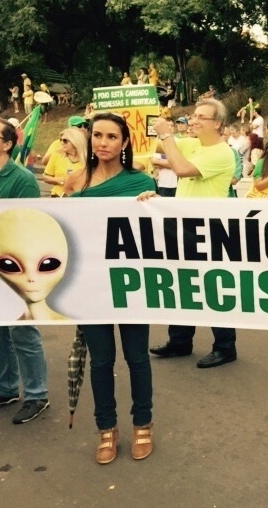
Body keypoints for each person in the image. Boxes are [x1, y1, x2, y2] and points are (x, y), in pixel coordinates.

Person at [69, 113, 157, 463]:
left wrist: (155, 204)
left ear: (124, 143)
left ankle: (143, 424)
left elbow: (157, 237)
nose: (103, 142)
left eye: (111, 137)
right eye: (97, 136)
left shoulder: (141, 182)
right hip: (91, 286)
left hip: (130, 285)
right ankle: (106, 428)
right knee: (101, 361)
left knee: (137, 358)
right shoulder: (76, 181)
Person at [148, 99, 237, 368]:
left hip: (209, 228)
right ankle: (180, 340)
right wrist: (163, 132)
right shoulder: (194, 143)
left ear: (218, 124)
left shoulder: (222, 152)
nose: (193, 121)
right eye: (193, 116)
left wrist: (167, 134)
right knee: (182, 283)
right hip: (183, 224)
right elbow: (160, 147)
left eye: (201, 117)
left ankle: (225, 346)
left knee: (213, 288)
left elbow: (182, 169)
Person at [0, 117, 50, 425]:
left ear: (7, 144)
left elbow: (29, 225)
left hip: (13, 270)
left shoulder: (21, 179)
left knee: (22, 331)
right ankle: (5, 388)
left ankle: (36, 394)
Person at [42, 127, 87, 197]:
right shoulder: (56, 155)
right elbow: (45, 177)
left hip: (79, 198)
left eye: (65, 141)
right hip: (57, 197)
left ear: (75, 141)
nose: (62, 143)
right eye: (61, 140)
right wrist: (57, 180)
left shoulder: (87, 159)